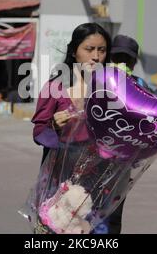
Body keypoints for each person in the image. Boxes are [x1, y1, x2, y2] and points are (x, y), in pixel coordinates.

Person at [31, 22, 112, 233]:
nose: (95, 56)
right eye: (89, 49)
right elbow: (39, 131)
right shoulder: (56, 87)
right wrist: (54, 125)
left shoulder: (111, 92)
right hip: (59, 183)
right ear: (75, 52)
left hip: (96, 183)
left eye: (101, 50)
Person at [108, 34, 149, 234]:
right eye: (117, 59)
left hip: (122, 165)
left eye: (127, 60)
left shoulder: (140, 85)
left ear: (134, 63)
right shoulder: (97, 81)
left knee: (113, 217)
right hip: (91, 162)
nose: (122, 64)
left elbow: (150, 121)